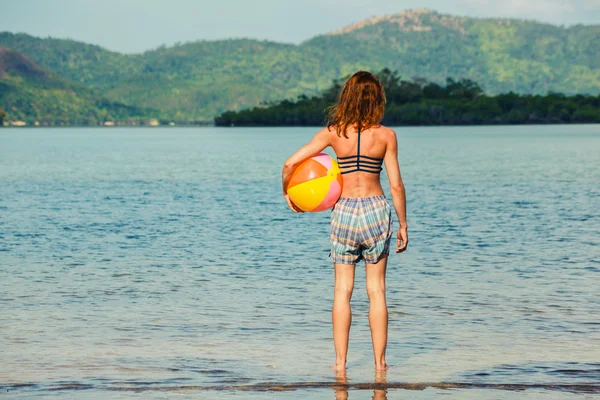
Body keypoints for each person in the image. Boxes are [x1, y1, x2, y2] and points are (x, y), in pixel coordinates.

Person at [281, 71, 408, 372]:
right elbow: (397, 185)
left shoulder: (333, 132)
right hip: (377, 209)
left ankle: (340, 365)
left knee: (342, 290)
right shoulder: (387, 136)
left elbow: (289, 163)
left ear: (347, 97)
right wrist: (403, 224)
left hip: (345, 211)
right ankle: (380, 365)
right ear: (377, 99)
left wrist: (289, 193)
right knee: (376, 290)